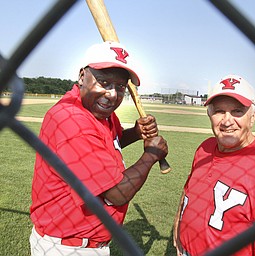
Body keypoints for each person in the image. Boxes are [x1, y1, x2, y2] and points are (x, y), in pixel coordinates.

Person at [29, 41, 168, 256]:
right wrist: (150, 155)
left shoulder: (99, 112)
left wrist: (135, 133)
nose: (112, 94)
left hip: (85, 242)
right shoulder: (71, 119)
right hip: (67, 248)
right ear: (82, 76)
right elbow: (116, 194)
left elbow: (109, 143)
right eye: (104, 82)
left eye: (120, 87)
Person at [173, 75, 255, 256]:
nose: (227, 120)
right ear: (209, 114)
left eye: (237, 111)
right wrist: (179, 221)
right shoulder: (204, 148)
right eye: (219, 111)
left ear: (253, 116)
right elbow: (189, 189)